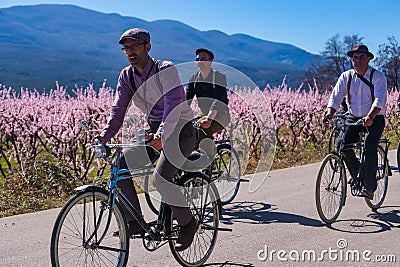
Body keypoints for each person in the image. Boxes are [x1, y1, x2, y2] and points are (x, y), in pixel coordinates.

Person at [96, 28, 198, 251]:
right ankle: (134, 223)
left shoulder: (166, 70)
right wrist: (104, 136)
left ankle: (188, 223)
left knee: (161, 179)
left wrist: (162, 135)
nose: (130, 52)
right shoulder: (127, 76)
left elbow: (173, 106)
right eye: (126, 48)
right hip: (154, 131)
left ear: (148, 47)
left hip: (181, 130)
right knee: (120, 165)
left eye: (135, 46)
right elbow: (118, 110)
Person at [324, 44, 387, 200]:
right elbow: (336, 95)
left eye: (361, 57)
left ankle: (369, 187)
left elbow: (380, 99)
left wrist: (371, 116)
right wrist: (330, 111)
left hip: (375, 117)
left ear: (369, 59)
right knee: (343, 145)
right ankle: (359, 172)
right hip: (354, 116)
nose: (357, 60)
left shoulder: (377, 76)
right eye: (355, 58)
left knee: (369, 147)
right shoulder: (347, 76)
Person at [186, 48, 230, 157]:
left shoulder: (218, 77)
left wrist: (209, 119)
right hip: (202, 113)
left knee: (203, 128)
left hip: (220, 114)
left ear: (210, 61)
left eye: (203, 59)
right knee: (189, 130)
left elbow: (219, 99)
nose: (200, 62)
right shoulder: (194, 78)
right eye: (198, 60)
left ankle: (209, 160)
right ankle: (195, 156)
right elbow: (187, 100)